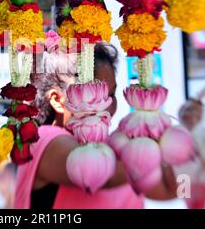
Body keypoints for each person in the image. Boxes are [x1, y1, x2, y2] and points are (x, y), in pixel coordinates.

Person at [14, 43, 183, 209]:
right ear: (58, 100)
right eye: (96, 96)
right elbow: (101, 174)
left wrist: (192, 151)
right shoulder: (41, 140)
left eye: (111, 94)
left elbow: (172, 189)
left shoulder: (118, 151)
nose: (108, 105)